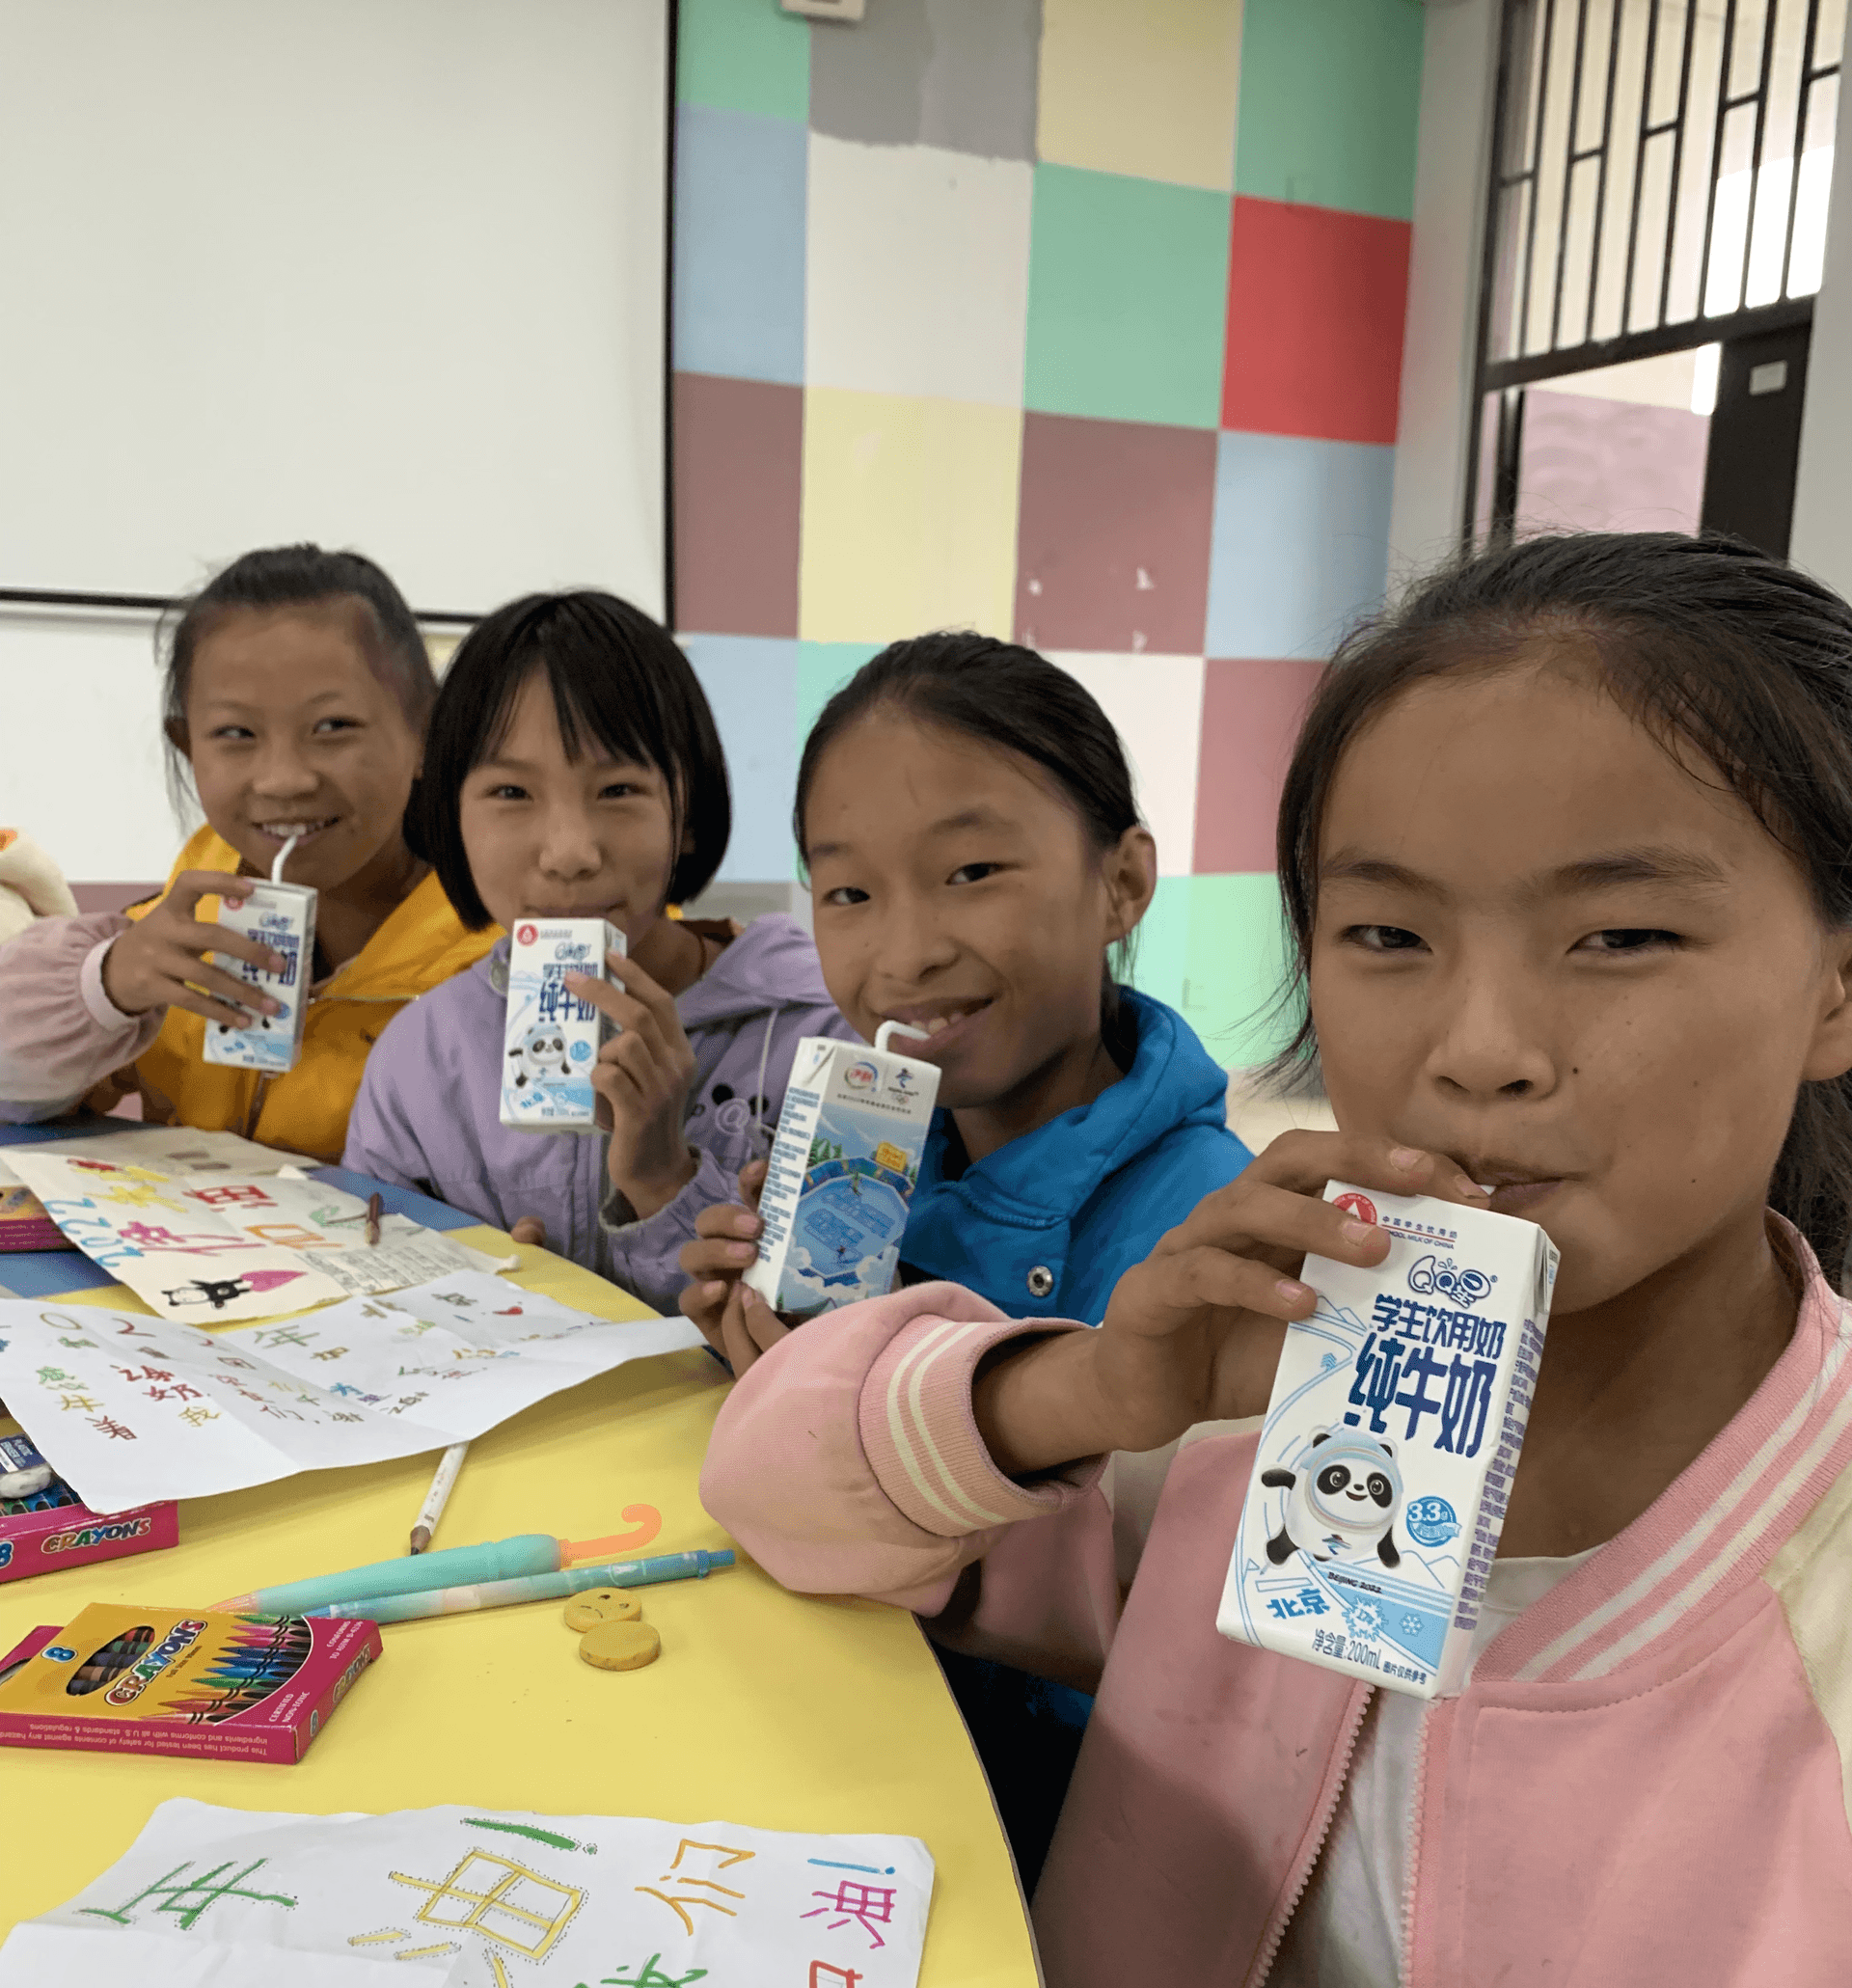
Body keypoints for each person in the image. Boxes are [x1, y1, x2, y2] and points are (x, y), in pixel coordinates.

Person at [699, 532, 1852, 1988]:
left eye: (1619, 935)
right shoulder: (1270, 1431)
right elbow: (777, 1480)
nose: (1479, 1046)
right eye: (1388, 934)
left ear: (1836, 983)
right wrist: (1098, 1384)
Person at [680, 633, 1251, 1887]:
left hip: (1058, 1857)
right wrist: (762, 1352)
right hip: (839, 1765)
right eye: (848, 893)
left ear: (1123, 883)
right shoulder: (873, 1172)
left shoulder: (1214, 1246)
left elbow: (1176, 1646)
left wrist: (841, 1416)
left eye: (972, 872)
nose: (906, 952)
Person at [343, 588, 851, 1308]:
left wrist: (663, 1176)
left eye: (617, 790)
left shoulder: (820, 1037)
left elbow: (832, 1334)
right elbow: (374, 1298)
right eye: (511, 792)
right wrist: (478, 1305)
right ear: (450, 819)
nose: (570, 854)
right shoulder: (421, 1058)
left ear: (687, 816)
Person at [0, 545, 491, 1162]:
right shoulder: (176, 933)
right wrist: (105, 987)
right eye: (236, 734)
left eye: (333, 726)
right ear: (188, 747)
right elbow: (16, 1091)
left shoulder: (497, 971)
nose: (283, 780)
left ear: (427, 734)